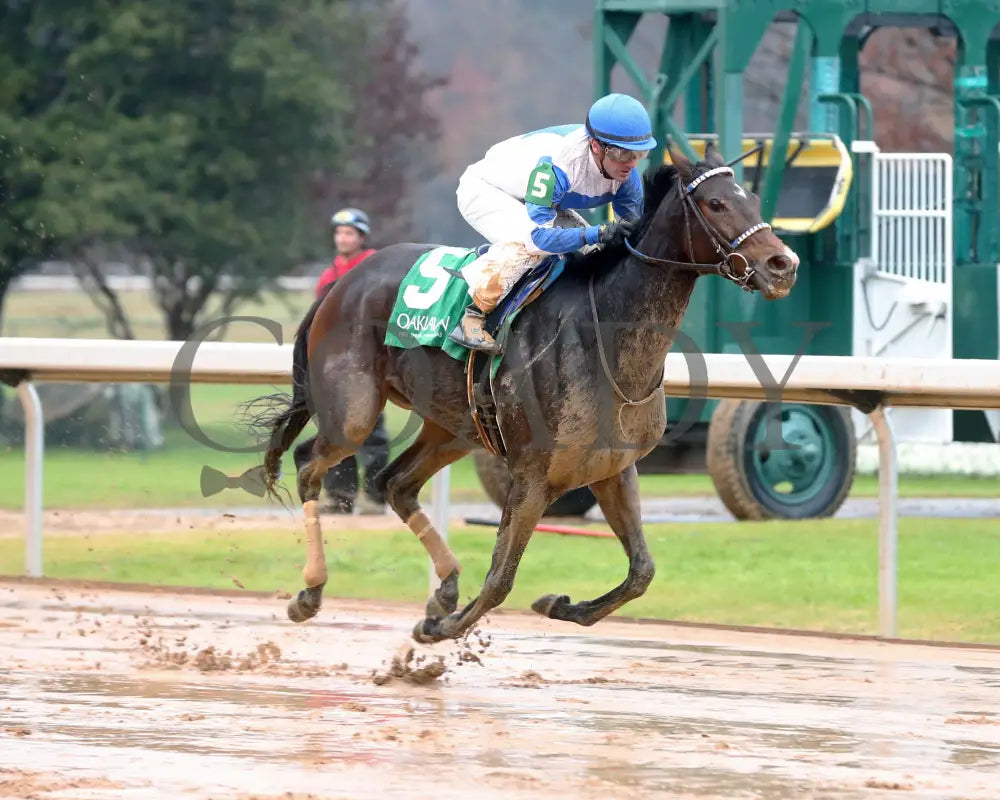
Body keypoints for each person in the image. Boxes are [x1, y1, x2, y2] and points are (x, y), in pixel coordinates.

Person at [450, 92, 656, 353]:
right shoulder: (558, 166)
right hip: (486, 190)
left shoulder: (627, 175)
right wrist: (599, 231)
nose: (630, 163)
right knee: (530, 249)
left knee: (592, 252)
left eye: (639, 153)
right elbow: (538, 239)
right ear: (595, 145)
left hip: (541, 201)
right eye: (622, 154)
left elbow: (634, 233)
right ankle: (473, 316)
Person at [316, 207, 390, 514]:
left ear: (361, 237)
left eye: (348, 233)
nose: (342, 238)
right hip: (337, 364)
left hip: (370, 361)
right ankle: (339, 497)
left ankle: (375, 498)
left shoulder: (376, 268)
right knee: (334, 429)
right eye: (339, 233)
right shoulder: (328, 276)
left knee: (371, 431)